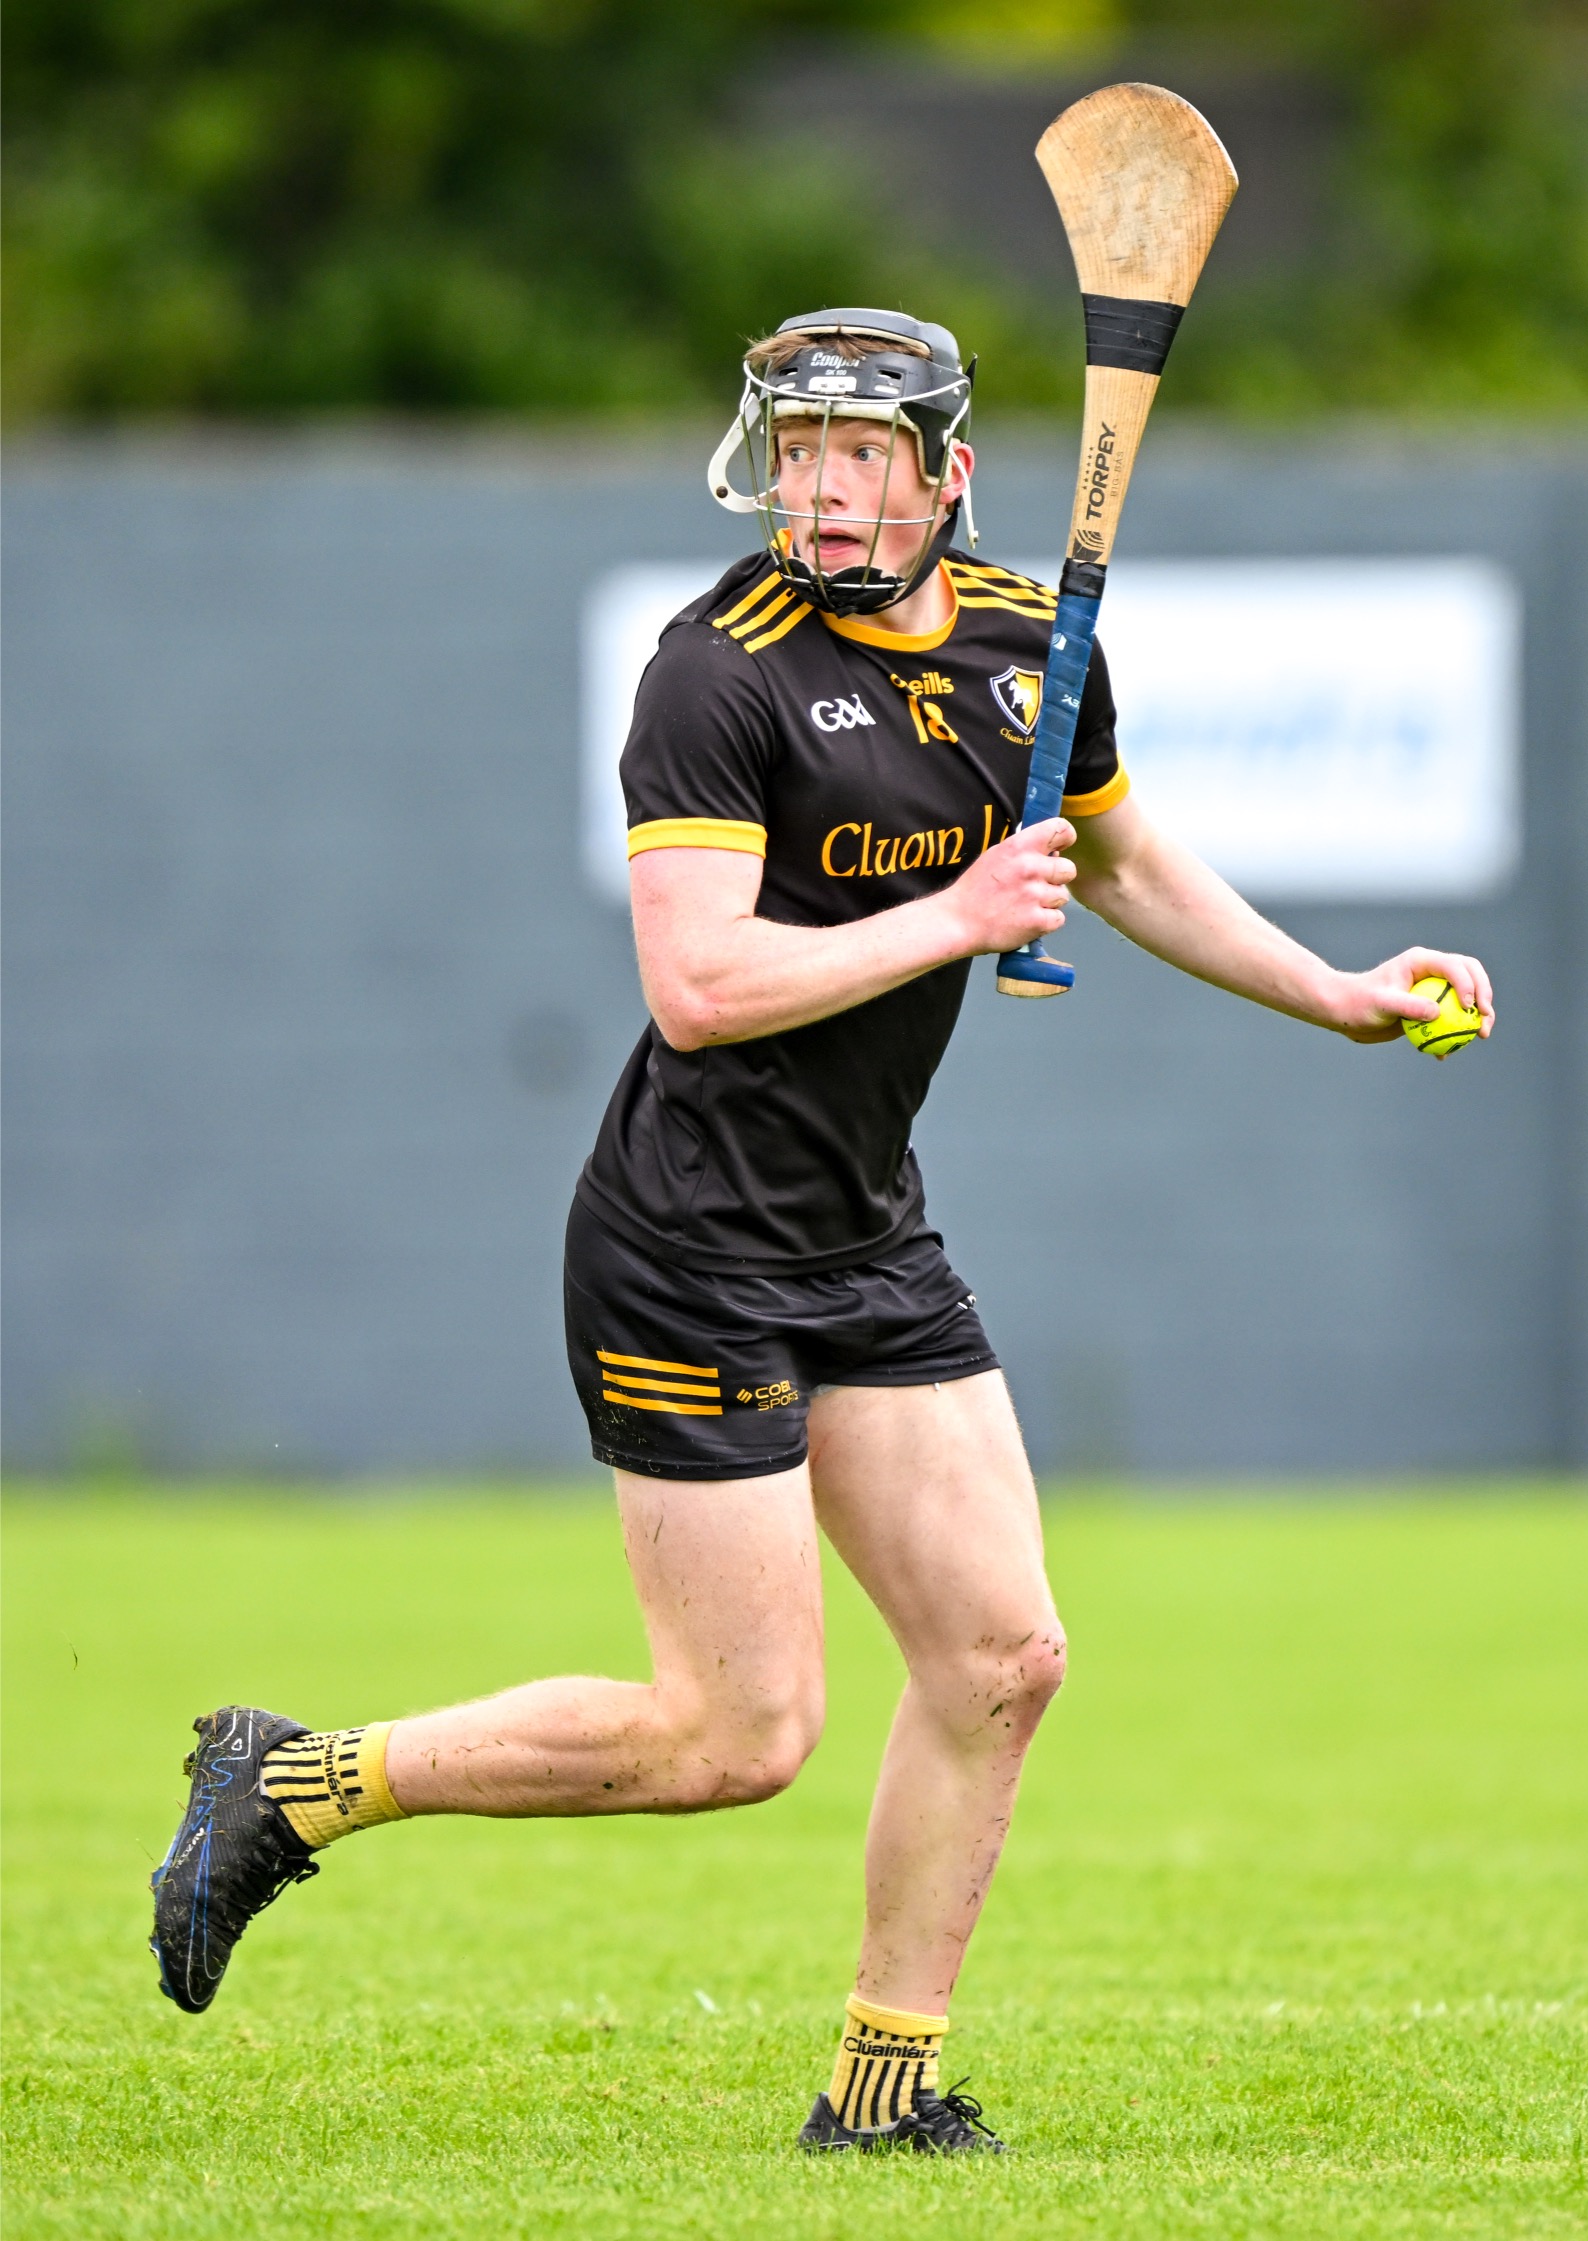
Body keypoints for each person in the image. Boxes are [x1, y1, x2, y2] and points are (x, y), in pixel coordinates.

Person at [149, 307, 1494, 2154]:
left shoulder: (1029, 640)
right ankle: (296, 1782)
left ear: (945, 476)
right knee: (734, 1737)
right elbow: (699, 984)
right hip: (686, 1250)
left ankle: (881, 2093)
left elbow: (1119, 858)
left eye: (863, 455)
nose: (824, 489)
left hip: (864, 1234)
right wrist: (957, 915)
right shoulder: (715, 673)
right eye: (797, 451)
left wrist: (1334, 992)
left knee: (1001, 1657)